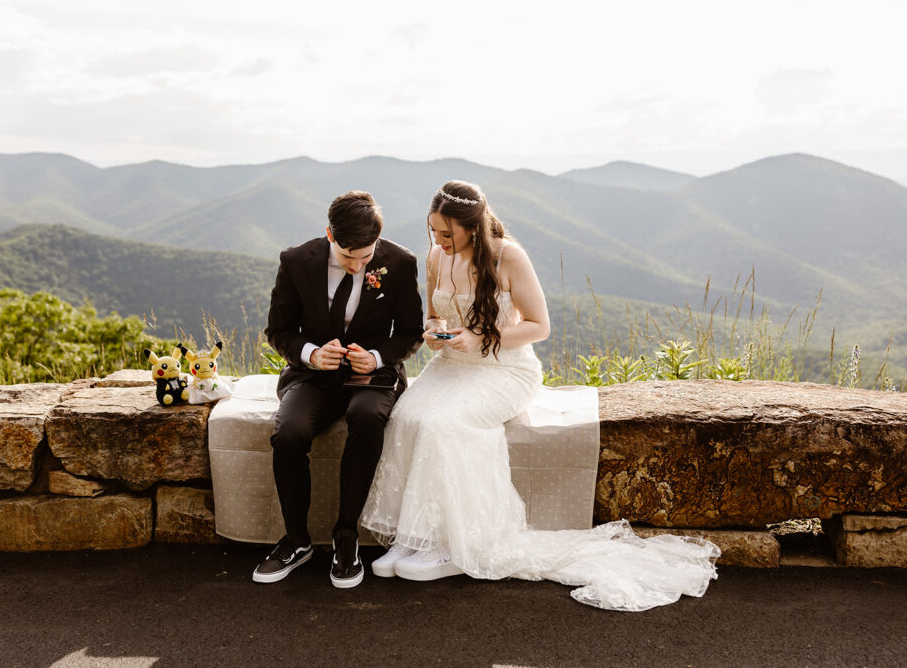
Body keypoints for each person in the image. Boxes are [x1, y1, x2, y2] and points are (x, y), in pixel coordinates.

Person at [359, 180, 720, 611]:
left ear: (473, 229)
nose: (438, 241)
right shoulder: (438, 256)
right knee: (407, 417)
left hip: (504, 370)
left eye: (447, 233)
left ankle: (454, 542)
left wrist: (482, 337)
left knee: (446, 423)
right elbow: (436, 312)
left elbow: (539, 327)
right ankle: (416, 535)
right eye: (433, 231)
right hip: (452, 366)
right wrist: (436, 333)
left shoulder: (509, 257)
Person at [256, 190, 424, 589]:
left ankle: (345, 535)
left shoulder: (400, 263)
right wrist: (312, 354)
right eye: (350, 256)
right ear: (329, 234)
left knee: (366, 419)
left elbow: (410, 333)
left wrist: (378, 357)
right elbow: (277, 331)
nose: (357, 265)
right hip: (313, 377)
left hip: (372, 378)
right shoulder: (296, 261)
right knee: (288, 433)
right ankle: (296, 540)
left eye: (366, 257)